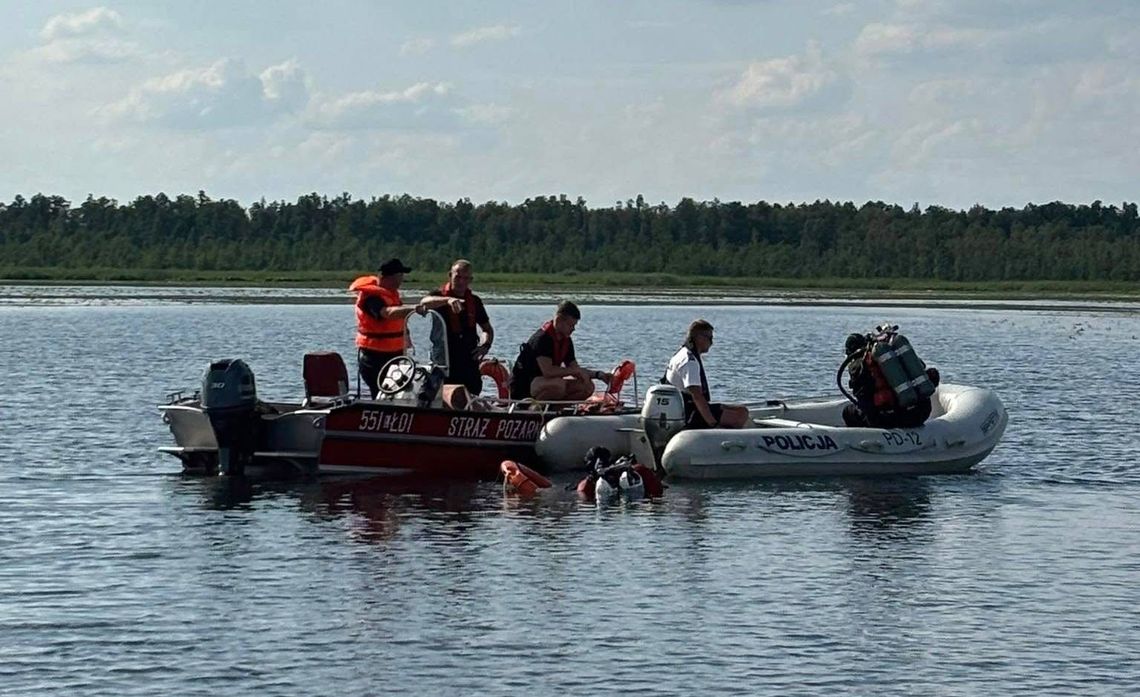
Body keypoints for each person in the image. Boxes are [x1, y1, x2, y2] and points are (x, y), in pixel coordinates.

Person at [349, 258, 461, 398]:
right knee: (381, 395)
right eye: (398, 276)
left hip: (395, 354)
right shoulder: (371, 297)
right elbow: (387, 313)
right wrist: (414, 309)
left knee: (398, 393)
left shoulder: (391, 295)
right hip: (374, 357)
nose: (401, 280)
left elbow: (397, 320)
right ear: (387, 277)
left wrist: (407, 338)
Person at [509, 301, 612, 401]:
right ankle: (534, 410)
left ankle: (557, 410)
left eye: (574, 326)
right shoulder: (542, 339)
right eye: (570, 325)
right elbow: (548, 372)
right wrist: (575, 371)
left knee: (587, 386)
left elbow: (575, 368)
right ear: (559, 320)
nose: (573, 329)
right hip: (523, 386)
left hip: (543, 383)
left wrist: (599, 375)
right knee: (558, 384)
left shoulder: (566, 341)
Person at [419, 259, 494, 395]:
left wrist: (485, 346)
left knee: (472, 393)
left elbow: (487, 329)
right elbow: (424, 302)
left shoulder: (475, 301)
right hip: (444, 360)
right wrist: (448, 301)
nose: (461, 282)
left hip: (468, 360)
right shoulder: (438, 296)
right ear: (450, 275)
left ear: (470, 280)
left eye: (465, 278)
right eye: (458, 277)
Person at [663, 319, 750, 429]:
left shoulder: (681, 354)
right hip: (689, 413)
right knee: (739, 415)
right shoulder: (689, 361)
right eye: (710, 338)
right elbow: (697, 395)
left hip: (684, 408)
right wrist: (713, 423)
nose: (712, 343)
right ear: (699, 338)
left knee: (741, 409)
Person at [842, 332, 940, 428]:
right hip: (921, 413)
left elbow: (864, 401)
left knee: (847, 412)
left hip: (889, 420)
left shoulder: (860, 366)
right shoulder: (893, 354)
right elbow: (930, 375)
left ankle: (860, 437)